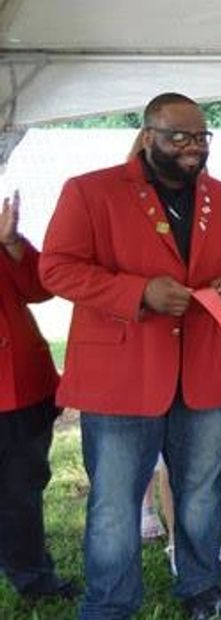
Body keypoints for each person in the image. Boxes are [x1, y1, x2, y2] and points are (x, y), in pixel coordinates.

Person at [41, 92, 221, 620]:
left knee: (201, 493)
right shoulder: (90, 191)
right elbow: (56, 268)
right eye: (178, 136)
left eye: (201, 137)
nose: (193, 147)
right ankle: (110, 603)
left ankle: (200, 587)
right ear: (149, 137)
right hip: (122, 376)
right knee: (115, 502)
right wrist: (137, 292)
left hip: (204, 372)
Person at [0, 191, 79, 605]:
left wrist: (12, 242)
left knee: (22, 490)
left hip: (19, 388)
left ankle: (32, 578)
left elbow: (39, 286)